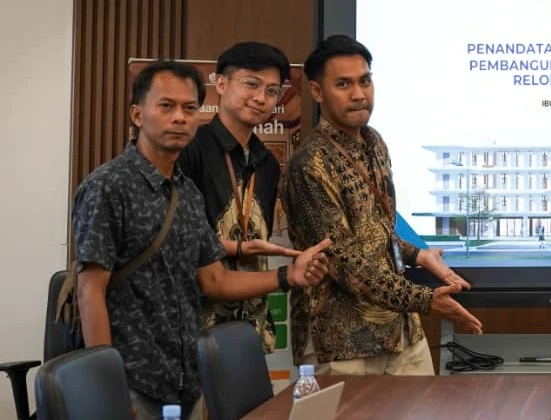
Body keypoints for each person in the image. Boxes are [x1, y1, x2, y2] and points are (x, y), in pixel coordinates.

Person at [73, 60, 331, 420]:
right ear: (137, 114)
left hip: (187, 381)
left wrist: (290, 276)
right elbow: (90, 293)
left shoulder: (187, 192)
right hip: (133, 383)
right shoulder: (108, 187)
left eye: (190, 108)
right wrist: (109, 390)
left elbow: (215, 280)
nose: (179, 117)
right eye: (166, 106)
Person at [283, 35, 483, 376]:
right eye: (343, 84)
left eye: (365, 81)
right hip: (343, 342)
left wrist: (417, 254)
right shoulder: (309, 165)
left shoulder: (374, 142)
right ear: (317, 92)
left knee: (427, 406)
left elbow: (375, 231)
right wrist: (425, 299)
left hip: (402, 332)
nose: (359, 94)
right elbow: (344, 260)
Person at [178, 41, 300, 351]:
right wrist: (239, 247)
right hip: (194, 328)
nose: (261, 98)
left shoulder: (267, 163)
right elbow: (177, 242)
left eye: (272, 91)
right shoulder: (190, 149)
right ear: (220, 83)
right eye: (251, 84)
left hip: (250, 327)